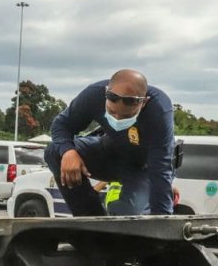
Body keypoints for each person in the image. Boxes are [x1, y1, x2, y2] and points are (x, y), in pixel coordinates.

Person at [45, 69, 176, 216]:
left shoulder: (160, 110)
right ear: (106, 92)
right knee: (55, 152)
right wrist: (68, 152)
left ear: (144, 102)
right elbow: (61, 125)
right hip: (109, 153)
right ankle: (90, 219)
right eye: (112, 112)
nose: (118, 119)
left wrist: (163, 219)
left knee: (129, 214)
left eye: (126, 115)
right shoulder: (93, 95)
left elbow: (161, 166)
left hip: (142, 168)